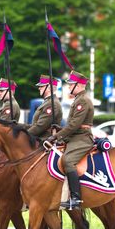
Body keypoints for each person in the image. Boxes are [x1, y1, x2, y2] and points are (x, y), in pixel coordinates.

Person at [47, 70, 94, 209]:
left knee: (68, 161)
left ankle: (76, 198)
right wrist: (59, 130)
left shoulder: (83, 101)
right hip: (75, 137)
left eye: (71, 84)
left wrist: (56, 136)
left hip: (82, 138)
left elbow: (74, 125)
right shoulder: (78, 99)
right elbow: (71, 125)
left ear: (79, 86)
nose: (69, 87)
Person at [27, 75, 62, 140]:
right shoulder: (47, 102)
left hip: (45, 140)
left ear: (49, 88)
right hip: (39, 138)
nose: (39, 88)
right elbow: (35, 125)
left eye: (41, 86)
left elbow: (41, 126)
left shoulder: (52, 104)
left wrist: (25, 135)